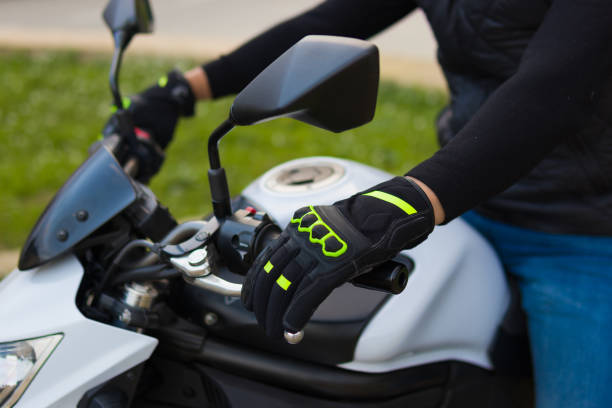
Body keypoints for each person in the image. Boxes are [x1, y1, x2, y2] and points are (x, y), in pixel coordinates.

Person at [111, 1, 612, 407]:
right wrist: (182, 90)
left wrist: (405, 202)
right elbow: (329, 22)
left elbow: (552, 89)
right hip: (470, 200)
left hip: (583, 232)